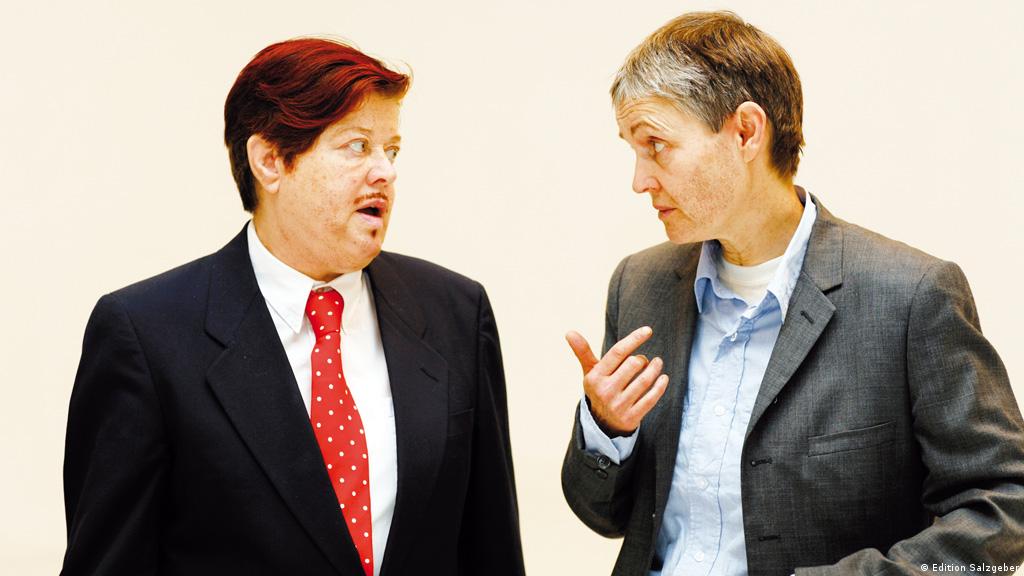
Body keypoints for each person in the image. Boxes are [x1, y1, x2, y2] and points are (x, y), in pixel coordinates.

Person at [561, 11, 1024, 576]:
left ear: (746, 132)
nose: (639, 180)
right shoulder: (639, 284)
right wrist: (607, 429)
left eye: (656, 145)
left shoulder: (910, 297)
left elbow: (1003, 512)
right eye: (633, 150)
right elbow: (603, 515)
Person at [61, 38, 524, 576]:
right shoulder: (146, 335)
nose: (385, 172)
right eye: (357, 146)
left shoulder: (455, 312)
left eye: (392, 150)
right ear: (270, 161)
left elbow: (491, 550)